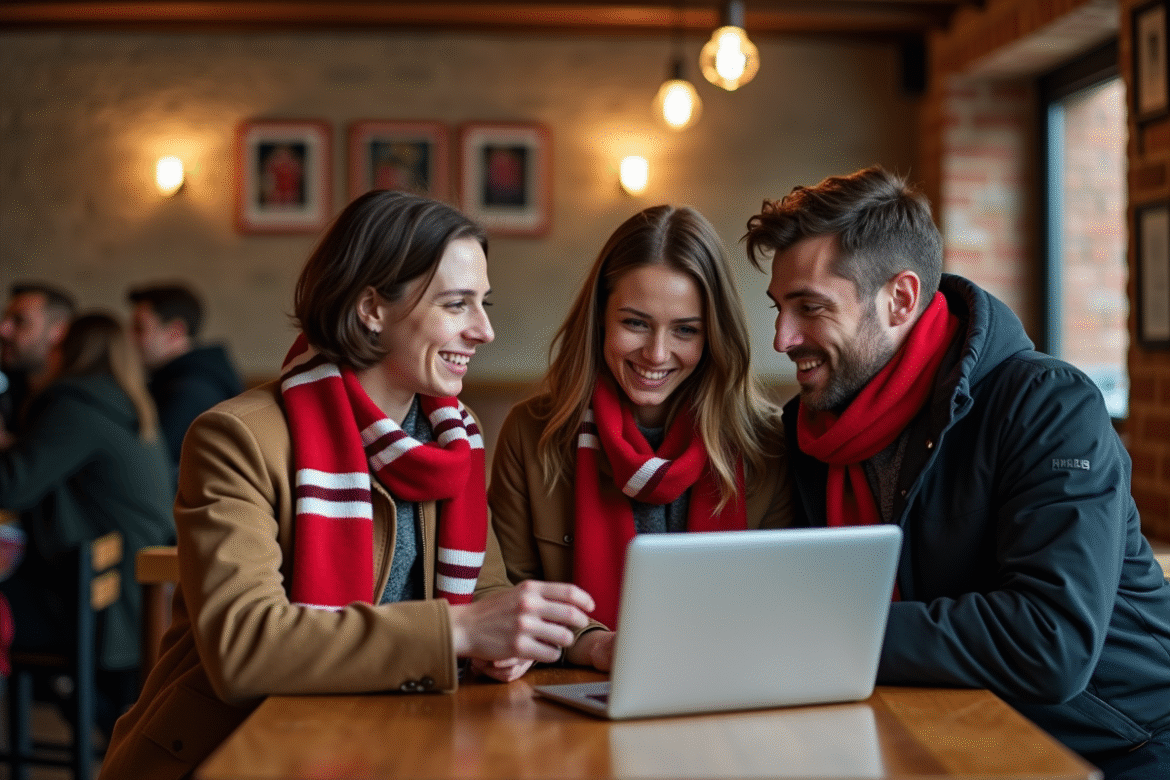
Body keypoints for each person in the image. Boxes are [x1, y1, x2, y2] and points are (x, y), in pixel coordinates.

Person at [100, 190, 594, 779]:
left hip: (390, 736)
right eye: (456, 304)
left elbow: (484, 591)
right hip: (233, 752)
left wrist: (527, 640)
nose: (484, 330)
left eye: (482, 303)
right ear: (371, 309)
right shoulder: (236, 437)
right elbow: (244, 646)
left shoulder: (453, 438)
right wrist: (459, 632)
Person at [743, 165, 1170, 780]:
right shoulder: (810, 430)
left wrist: (817, 632)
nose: (782, 339)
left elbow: (1049, 642)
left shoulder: (1049, 406)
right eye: (779, 308)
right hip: (938, 729)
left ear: (901, 299)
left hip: (1119, 748)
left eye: (809, 308)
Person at [489, 205, 791, 673]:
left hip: (726, 682)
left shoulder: (767, 443)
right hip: (572, 691)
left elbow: (779, 605)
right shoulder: (531, 434)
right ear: (601, 317)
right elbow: (508, 604)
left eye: (685, 330)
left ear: (714, 335)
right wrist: (592, 646)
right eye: (635, 323)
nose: (656, 353)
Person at [0, 312, 175, 734]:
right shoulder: (122, 401)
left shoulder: (74, 406)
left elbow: (9, 488)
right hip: (124, 587)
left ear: (67, 352)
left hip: (95, 604)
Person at [127, 282, 245, 483]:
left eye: (139, 329)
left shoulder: (190, 393)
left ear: (175, 332)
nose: (128, 338)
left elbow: (149, 472)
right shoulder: (177, 382)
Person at [0, 282, 76, 431]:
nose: (3, 330)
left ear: (59, 331)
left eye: (19, 321)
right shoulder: (8, 389)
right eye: (5, 319)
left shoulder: (75, 405)